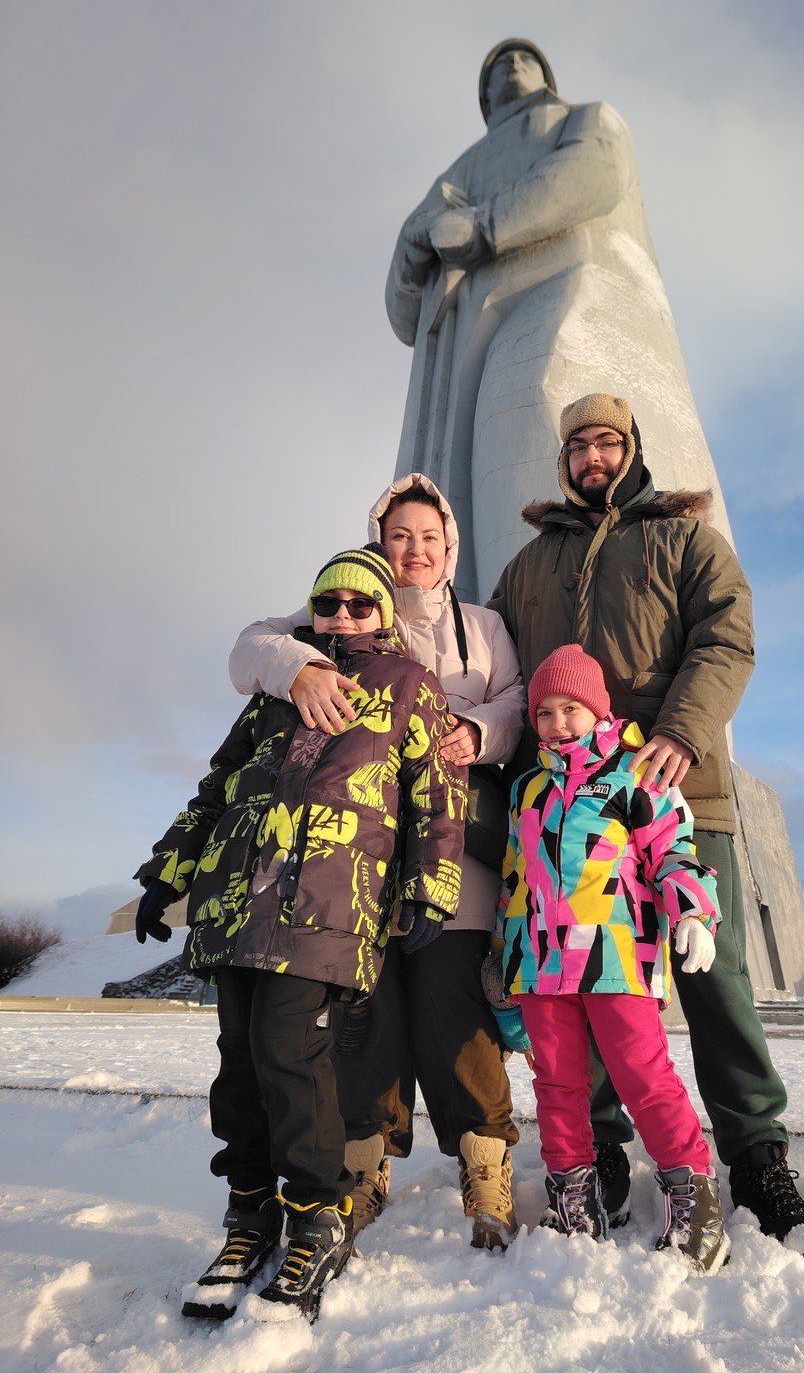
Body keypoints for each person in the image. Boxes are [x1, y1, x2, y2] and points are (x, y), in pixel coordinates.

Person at [487, 392, 804, 1255]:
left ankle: (756, 1155)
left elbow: (727, 637)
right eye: (578, 446)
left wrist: (680, 730)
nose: (592, 457)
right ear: (564, 460)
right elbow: (499, 673)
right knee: (580, 981)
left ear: (632, 449)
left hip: (671, 789)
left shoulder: (684, 540)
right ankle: (599, 1150)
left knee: (714, 978)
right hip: (568, 820)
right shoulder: (529, 566)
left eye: (607, 442)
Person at [134, 544, 465, 1321]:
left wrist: (431, 887)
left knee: (291, 1055)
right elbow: (218, 785)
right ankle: (249, 1217)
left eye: (359, 604)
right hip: (237, 904)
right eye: (328, 603)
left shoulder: (409, 685)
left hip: (326, 904)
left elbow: (438, 793)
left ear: (383, 614)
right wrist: (168, 870)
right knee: (239, 1066)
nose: (341, 616)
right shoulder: (277, 690)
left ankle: (318, 1216)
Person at [228, 474, 526, 1250]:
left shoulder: (483, 627)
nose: (414, 550)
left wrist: (477, 731)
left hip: (448, 852)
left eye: (428, 537)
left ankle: (484, 1163)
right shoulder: (338, 613)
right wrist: (297, 669)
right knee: (364, 1018)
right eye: (399, 536)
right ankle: (362, 1165)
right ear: (378, 543)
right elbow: (250, 646)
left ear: (449, 546)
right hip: (352, 867)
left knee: (455, 1010)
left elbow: (519, 700)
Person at [387, 38, 735, 604]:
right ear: (486, 98)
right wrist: (413, 243)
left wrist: (485, 226)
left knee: (535, 395)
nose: (512, 67)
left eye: (524, 58)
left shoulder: (582, 119)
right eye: (498, 66)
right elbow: (405, 315)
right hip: (466, 342)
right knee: (457, 496)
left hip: (570, 285)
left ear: (545, 76)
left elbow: (595, 168)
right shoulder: (453, 178)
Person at [492, 644, 731, 1272]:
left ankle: (694, 1198)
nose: (557, 723)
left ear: (598, 711)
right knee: (556, 1085)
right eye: (544, 713)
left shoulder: (636, 776)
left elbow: (673, 851)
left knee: (643, 1077)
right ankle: (574, 1201)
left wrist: (693, 914)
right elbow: (515, 880)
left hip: (616, 960)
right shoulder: (527, 791)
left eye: (570, 709)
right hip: (542, 969)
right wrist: (503, 955)